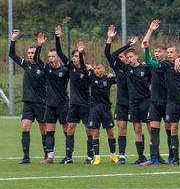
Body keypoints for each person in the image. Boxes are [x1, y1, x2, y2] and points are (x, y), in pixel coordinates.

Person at [143, 41, 180, 165]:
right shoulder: (164, 65)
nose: (169, 55)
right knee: (173, 130)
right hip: (172, 103)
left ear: (177, 53)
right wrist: (147, 48)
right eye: (167, 52)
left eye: (171, 52)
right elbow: (148, 61)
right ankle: (175, 159)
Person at [140, 20, 180, 165]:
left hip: (168, 102)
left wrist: (179, 58)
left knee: (169, 131)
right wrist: (150, 30)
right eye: (156, 51)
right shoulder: (154, 64)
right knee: (154, 130)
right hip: (154, 102)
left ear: (166, 54)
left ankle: (172, 157)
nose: (157, 53)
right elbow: (146, 53)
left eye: (160, 51)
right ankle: (154, 158)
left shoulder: (169, 65)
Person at [54, 26, 92, 164]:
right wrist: (57, 37)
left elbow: (82, 65)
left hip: (86, 105)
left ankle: (90, 156)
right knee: (70, 129)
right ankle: (69, 157)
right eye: (74, 56)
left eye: (77, 56)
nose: (74, 58)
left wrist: (81, 54)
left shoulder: (87, 71)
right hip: (74, 104)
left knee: (89, 130)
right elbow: (59, 52)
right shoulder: (70, 67)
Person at [9, 30, 47, 164]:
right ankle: (26, 157)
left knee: (44, 129)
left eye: (33, 53)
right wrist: (13, 39)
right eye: (29, 53)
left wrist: (39, 45)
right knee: (25, 126)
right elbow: (11, 54)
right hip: (28, 103)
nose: (31, 55)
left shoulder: (43, 66)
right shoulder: (26, 64)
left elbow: (38, 58)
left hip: (41, 102)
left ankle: (47, 155)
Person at [112, 37, 151, 164]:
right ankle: (141, 156)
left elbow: (153, 81)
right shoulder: (126, 69)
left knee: (151, 129)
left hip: (146, 101)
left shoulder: (145, 68)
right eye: (127, 57)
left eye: (131, 57)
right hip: (133, 103)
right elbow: (114, 54)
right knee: (137, 129)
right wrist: (128, 44)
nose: (129, 59)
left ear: (136, 56)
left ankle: (155, 156)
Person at [34, 29, 69, 164]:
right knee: (49, 130)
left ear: (58, 57)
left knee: (67, 130)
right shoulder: (47, 68)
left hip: (63, 104)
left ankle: (69, 155)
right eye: (49, 57)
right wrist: (39, 45)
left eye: (53, 56)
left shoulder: (65, 70)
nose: (51, 58)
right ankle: (50, 157)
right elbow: (37, 59)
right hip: (50, 104)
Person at [81, 62, 118, 165]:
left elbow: (120, 77)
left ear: (104, 69)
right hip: (94, 109)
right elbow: (84, 68)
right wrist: (80, 54)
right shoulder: (91, 77)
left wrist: (113, 75)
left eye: (99, 68)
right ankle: (97, 157)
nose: (97, 70)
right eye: (95, 68)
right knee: (95, 133)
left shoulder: (108, 78)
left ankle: (113, 155)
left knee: (111, 133)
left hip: (106, 109)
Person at [104, 25, 129, 164]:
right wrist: (109, 38)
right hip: (121, 103)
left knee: (138, 128)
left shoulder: (131, 68)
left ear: (126, 58)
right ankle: (122, 155)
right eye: (119, 57)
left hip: (135, 103)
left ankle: (143, 154)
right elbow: (109, 54)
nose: (119, 58)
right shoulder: (117, 68)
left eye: (122, 57)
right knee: (122, 129)